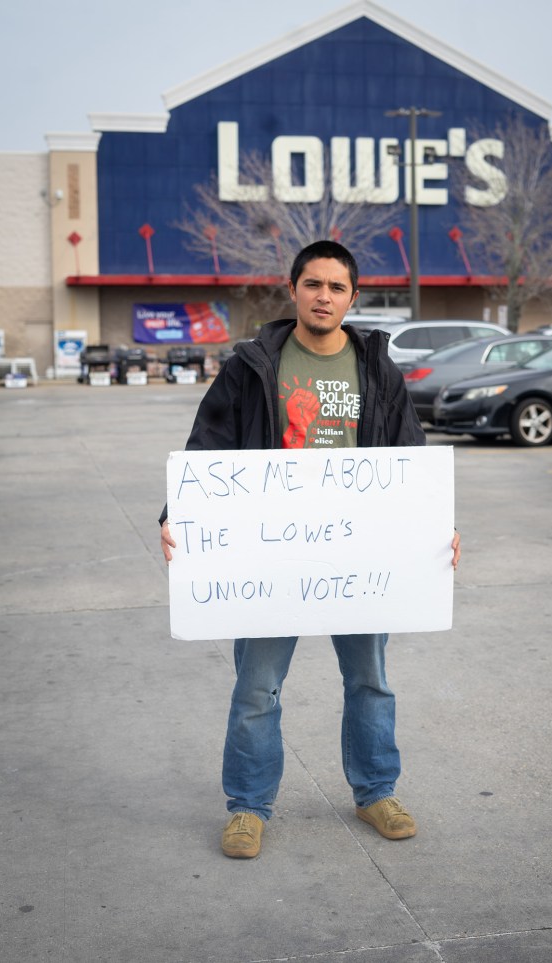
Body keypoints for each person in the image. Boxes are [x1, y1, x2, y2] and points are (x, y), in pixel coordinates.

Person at [160, 240, 461, 858]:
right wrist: (180, 515)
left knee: (370, 681)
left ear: (354, 296)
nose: (324, 296)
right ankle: (248, 807)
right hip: (273, 558)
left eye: (337, 287)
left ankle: (376, 790)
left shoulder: (378, 368)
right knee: (256, 688)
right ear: (292, 289)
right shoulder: (252, 366)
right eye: (313, 284)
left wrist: (439, 526)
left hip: (360, 556)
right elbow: (207, 445)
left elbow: (413, 455)